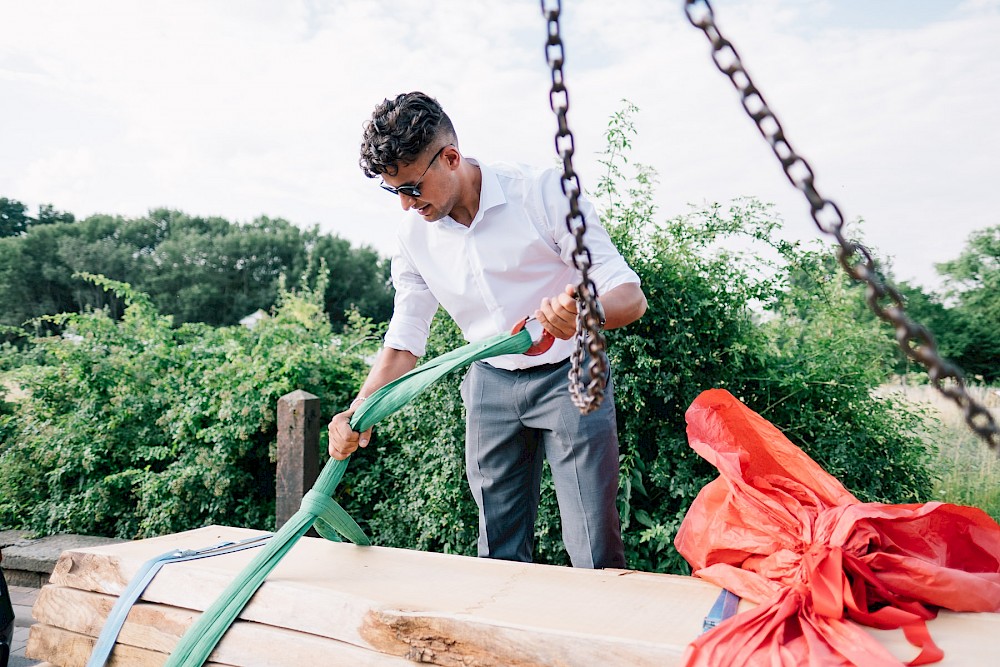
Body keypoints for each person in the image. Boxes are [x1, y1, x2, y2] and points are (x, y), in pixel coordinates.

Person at [328, 92, 647, 569]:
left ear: (451, 158)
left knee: (593, 545)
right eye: (393, 190)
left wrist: (582, 316)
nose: (405, 204)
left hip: (571, 374)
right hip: (490, 381)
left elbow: (628, 296)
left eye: (413, 187)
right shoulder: (413, 237)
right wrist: (360, 410)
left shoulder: (542, 193)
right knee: (497, 550)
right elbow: (404, 338)